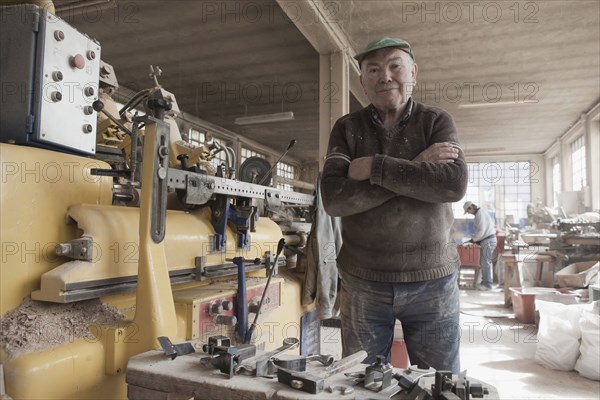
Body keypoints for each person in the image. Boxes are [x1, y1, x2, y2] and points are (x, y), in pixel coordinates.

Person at [320, 37, 468, 373]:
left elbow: (452, 184)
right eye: (373, 69)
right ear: (363, 81)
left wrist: (372, 167)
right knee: (360, 383)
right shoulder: (347, 129)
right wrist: (418, 165)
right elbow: (335, 198)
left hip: (433, 281)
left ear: (413, 72)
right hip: (363, 281)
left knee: (440, 384)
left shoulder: (436, 121)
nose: (385, 76)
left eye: (394, 66)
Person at [463, 201, 497, 290]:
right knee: (484, 263)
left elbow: (481, 231)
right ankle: (485, 282)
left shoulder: (479, 214)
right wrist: (475, 240)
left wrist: (472, 240)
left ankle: (487, 285)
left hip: (488, 240)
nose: (469, 213)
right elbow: (481, 231)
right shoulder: (480, 212)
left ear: (471, 208)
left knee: (485, 263)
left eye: (468, 211)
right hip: (487, 239)